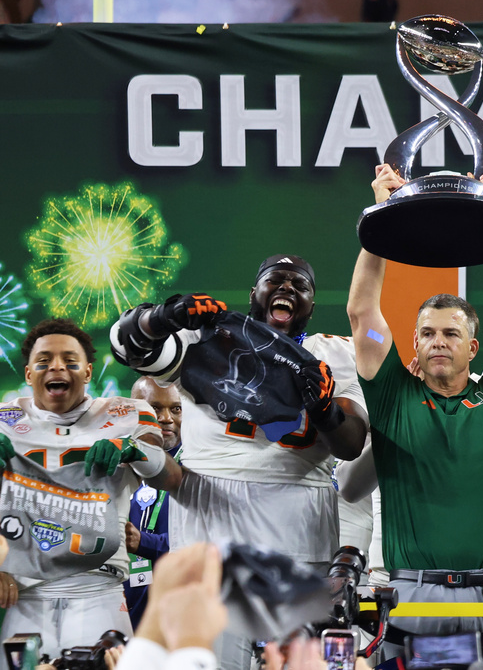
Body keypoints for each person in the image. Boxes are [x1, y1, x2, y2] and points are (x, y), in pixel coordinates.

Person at [110, 256, 369, 669]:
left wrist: (324, 410)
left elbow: (351, 443)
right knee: (210, 660)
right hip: (210, 510)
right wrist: (163, 316)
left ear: (312, 305)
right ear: (254, 294)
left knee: (295, 662)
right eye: (274, 281)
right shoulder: (205, 337)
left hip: (297, 519)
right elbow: (127, 345)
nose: (286, 289)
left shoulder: (330, 354)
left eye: (299, 285)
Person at [347, 160, 483, 660]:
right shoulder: (392, 394)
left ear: (474, 347)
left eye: (451, 333)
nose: (438, 342)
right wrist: (378, 219)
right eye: (428, 333)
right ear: (412, 341)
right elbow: (362, 313)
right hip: (414, 593)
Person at [0, 319, 182, 664]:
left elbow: (170, 478)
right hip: (26, 596)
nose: (57, 367)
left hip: (100, 592)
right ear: (27, 374)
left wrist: (134, 449)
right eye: (44, 361)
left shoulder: (127, 413)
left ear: (87, 371)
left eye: (70, 361)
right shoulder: (4, 419)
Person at [123, 376, 183, 629]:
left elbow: (207, 544)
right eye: (154, 408)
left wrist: (144, 542)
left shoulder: (199, 469)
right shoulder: (116, 466)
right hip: (121, 611)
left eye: (176, 409)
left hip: (179, 613)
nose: (166, 417)